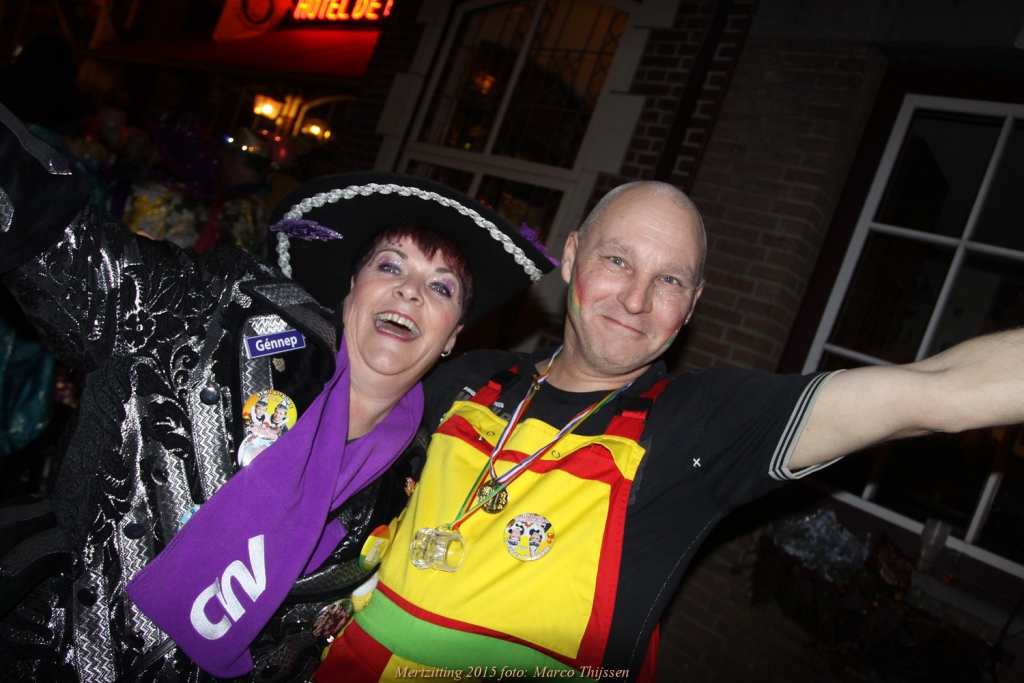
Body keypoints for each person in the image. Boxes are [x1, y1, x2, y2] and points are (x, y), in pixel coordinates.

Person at [315, 180, 1024, 682]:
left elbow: (940, 391)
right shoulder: (468, 376)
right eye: (618, 260)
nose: (636, 299)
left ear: (692, 305)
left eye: (671, 280)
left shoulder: (704, 423)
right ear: (573, 256)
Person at [0, 100, 555, 682]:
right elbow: (70, 249)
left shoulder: (417, 483)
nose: (411, 292)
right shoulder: (226, 319)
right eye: (391, 267)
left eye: (441, 288)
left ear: (452, 337)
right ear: (352, 289)